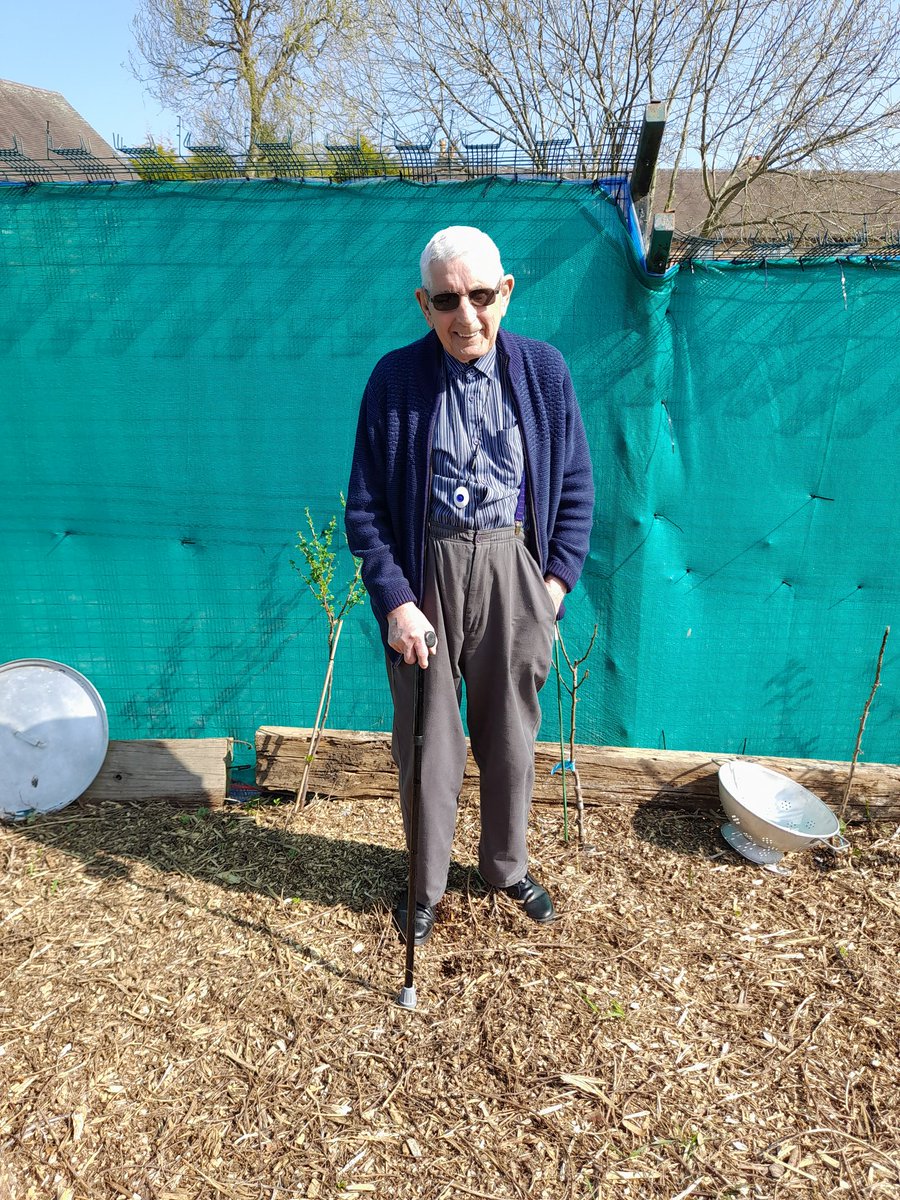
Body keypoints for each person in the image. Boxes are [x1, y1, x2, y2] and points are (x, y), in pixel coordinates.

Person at [345, 225, 594, 945]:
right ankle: (425, 887)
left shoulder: (543, 372)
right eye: (447, 300)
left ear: (505, 293)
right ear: (423, 304)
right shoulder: (394, 380)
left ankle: (505, 869)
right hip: (426, 575)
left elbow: (576, 487)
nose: (466, 316)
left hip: (516, 571)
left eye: (480, 296)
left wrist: (552, 588)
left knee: (512, 735)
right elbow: (365, 510)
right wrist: (396, 601)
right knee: (427, 740)